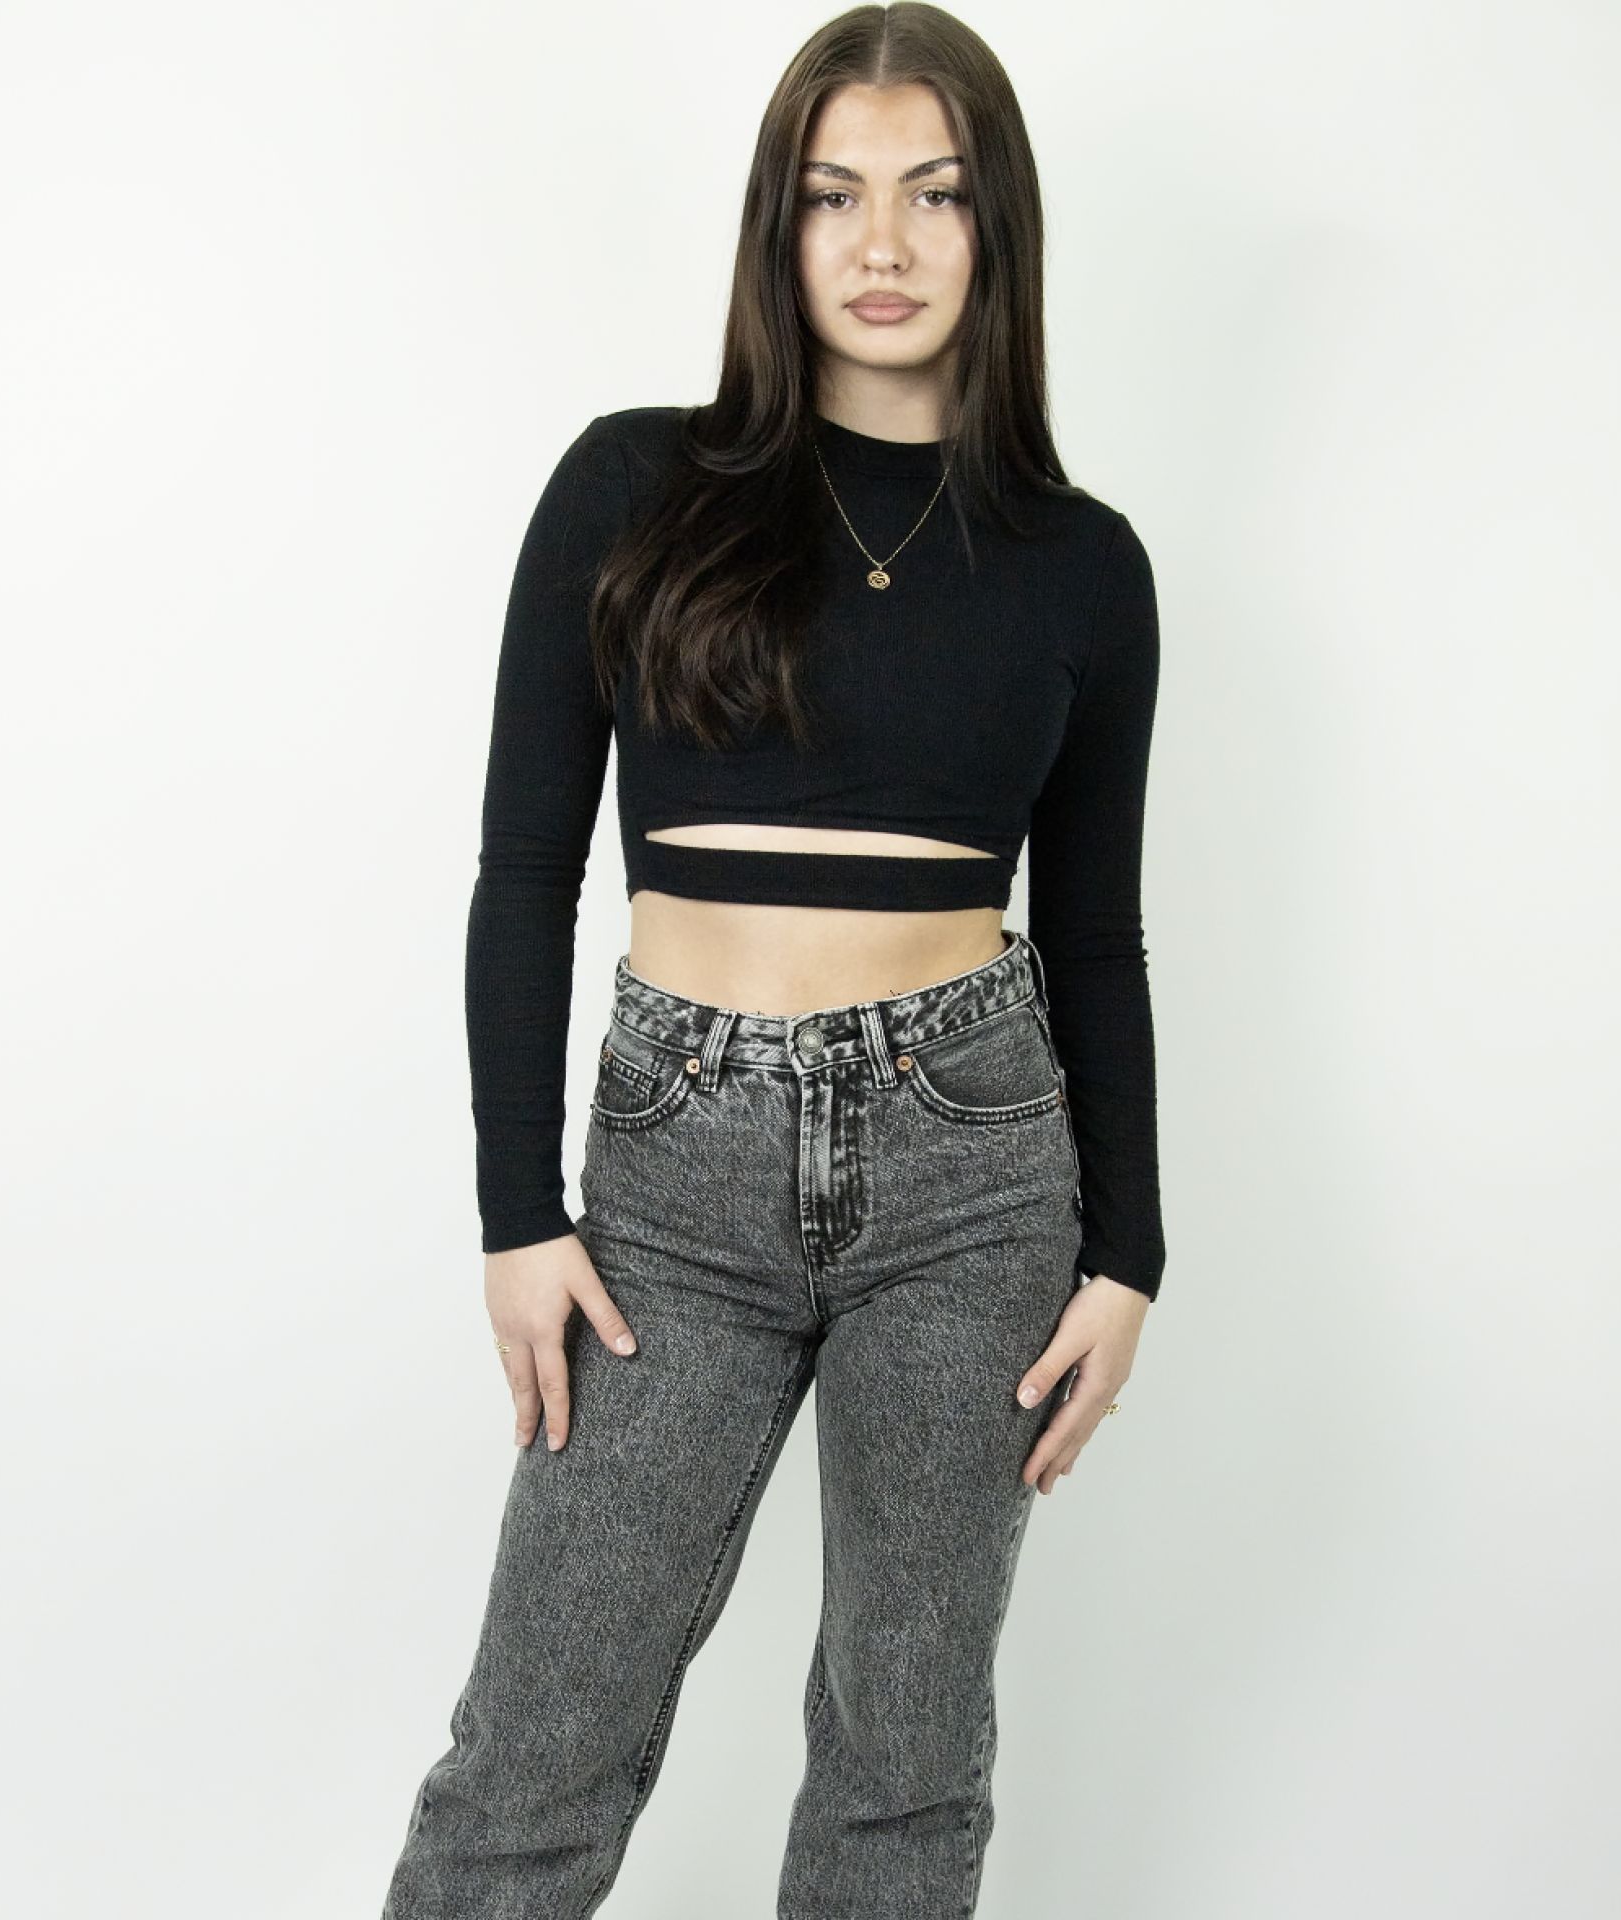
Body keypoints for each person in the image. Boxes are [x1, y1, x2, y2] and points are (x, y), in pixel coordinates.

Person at [381, 6, 1164, 1913]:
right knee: (537, 1746)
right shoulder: (631, 485)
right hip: (677, 1169)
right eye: (833, 195)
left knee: (908, 1758)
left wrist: (1131, 1250)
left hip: (977, 1176)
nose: (882, 244)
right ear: (777, 224)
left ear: (997, 228)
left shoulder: (1083, 564)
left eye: (933, 194)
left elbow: (1095, 930)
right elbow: (520, 871)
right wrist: (515, 1210)